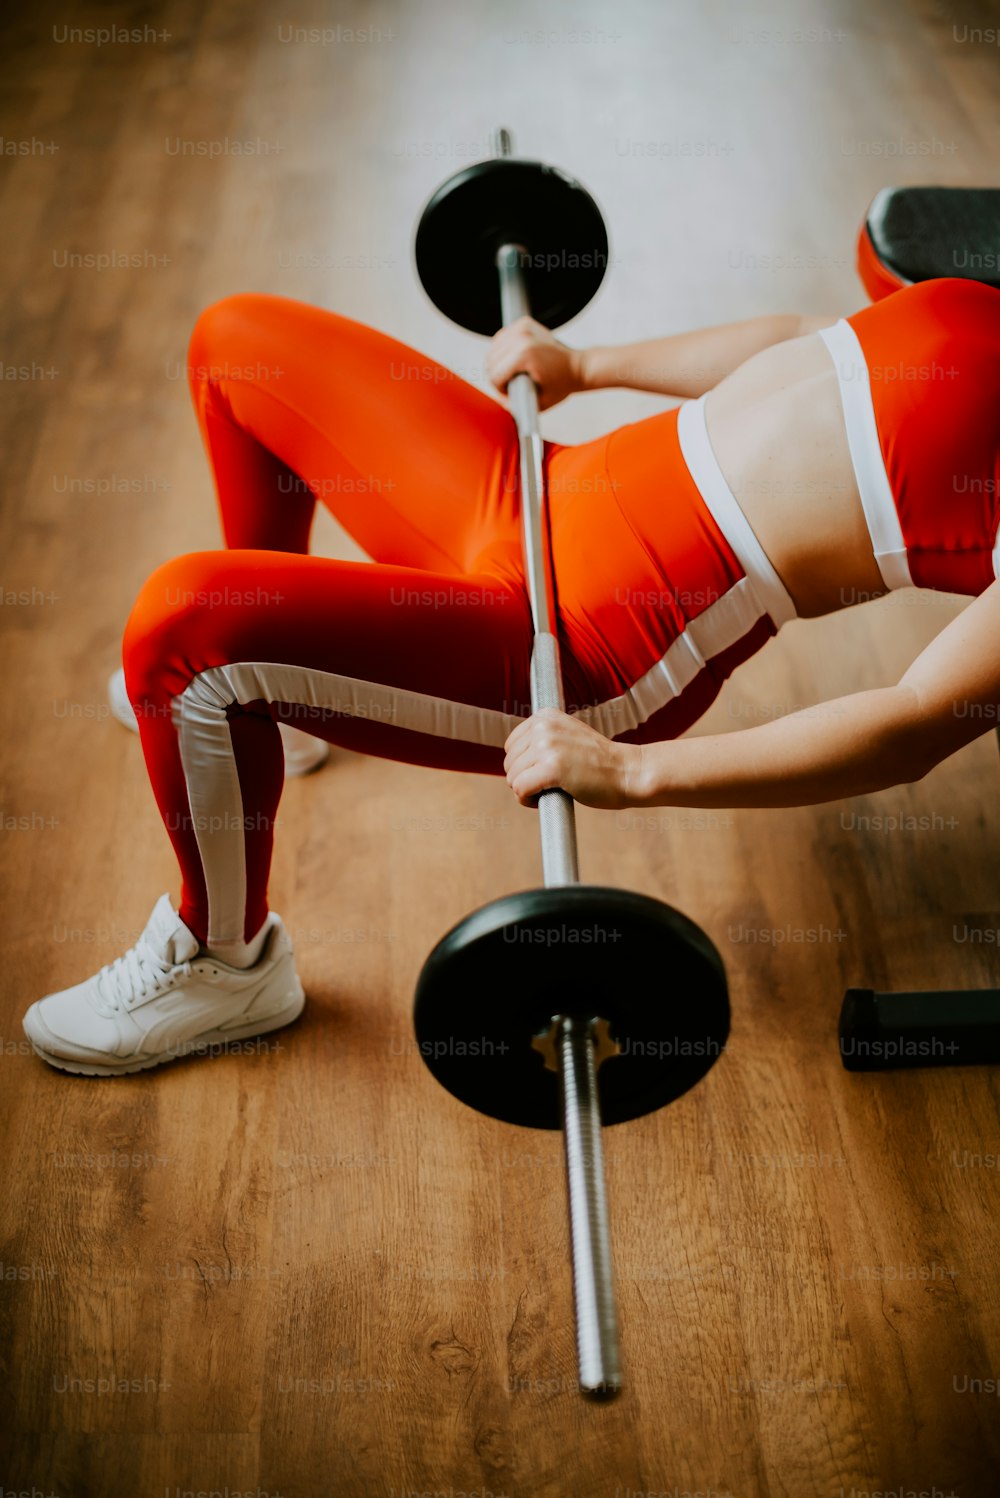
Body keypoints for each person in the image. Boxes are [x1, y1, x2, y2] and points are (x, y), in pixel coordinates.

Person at [23, 277, 1000, 1075]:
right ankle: (266, 709)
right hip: (546, 485)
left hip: (583, 642)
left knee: (182, 630)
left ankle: (221, 958)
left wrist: (633, 776)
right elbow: (805, 335)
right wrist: (586, 366)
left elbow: (911, 721)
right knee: (237, 340)